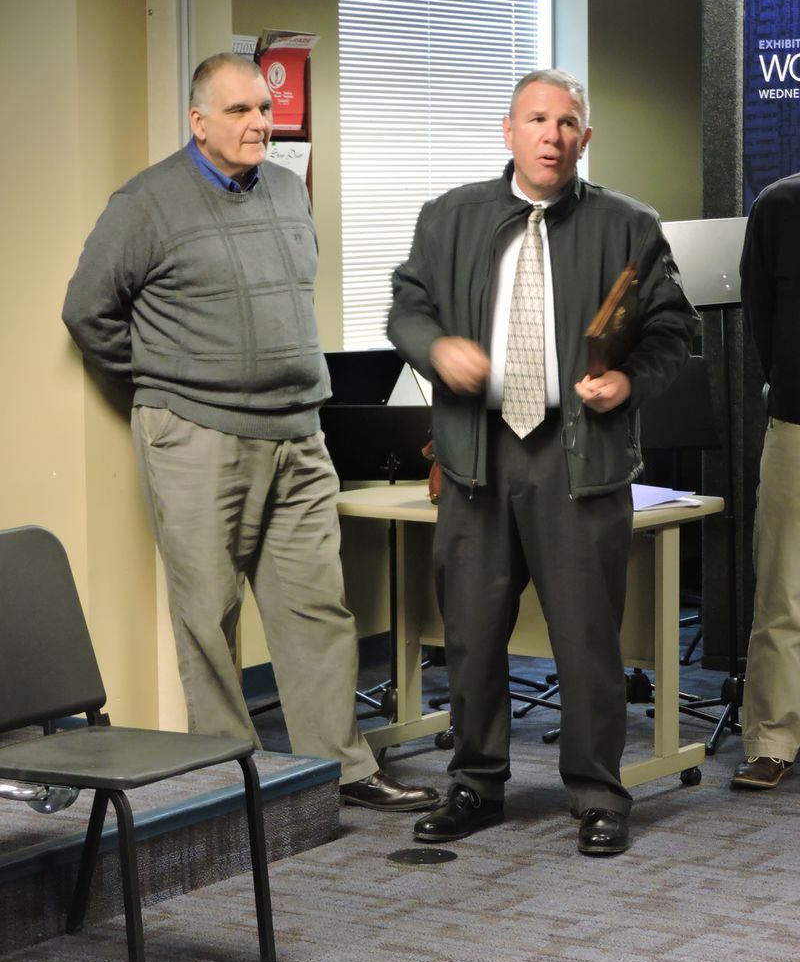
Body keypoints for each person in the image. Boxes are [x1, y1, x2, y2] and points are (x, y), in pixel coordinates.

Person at [62, 52, 438, 813]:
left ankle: (340, 769)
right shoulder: (145, 204)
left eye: (263, 110)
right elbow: (87, 312)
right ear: (198, 123)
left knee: (317, 608)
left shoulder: (285, 192)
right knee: (210, 615)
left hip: (299, 432)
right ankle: (231, 783)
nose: (259, 123)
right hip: (197, 435)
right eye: (238, 111)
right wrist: (168, 381)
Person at [387, 67, 698, 854]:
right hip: (476, 456)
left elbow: (675, 331)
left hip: (577, 454)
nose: (551, 136)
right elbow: (406, 307)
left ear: (584, 139)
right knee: (472, 629)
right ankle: (476, 781)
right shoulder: (449, 217)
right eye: (536, 120)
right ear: (508, 130)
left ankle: (598, 793)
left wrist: (628, 379)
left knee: (587, 634)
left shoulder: (629, 224)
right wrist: (436, 346)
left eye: (566, 124)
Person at [731, 172, 800, 791]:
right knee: (782, 588)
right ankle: (773, 740)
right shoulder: (778, 205)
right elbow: (763, 320)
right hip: (797, 425)